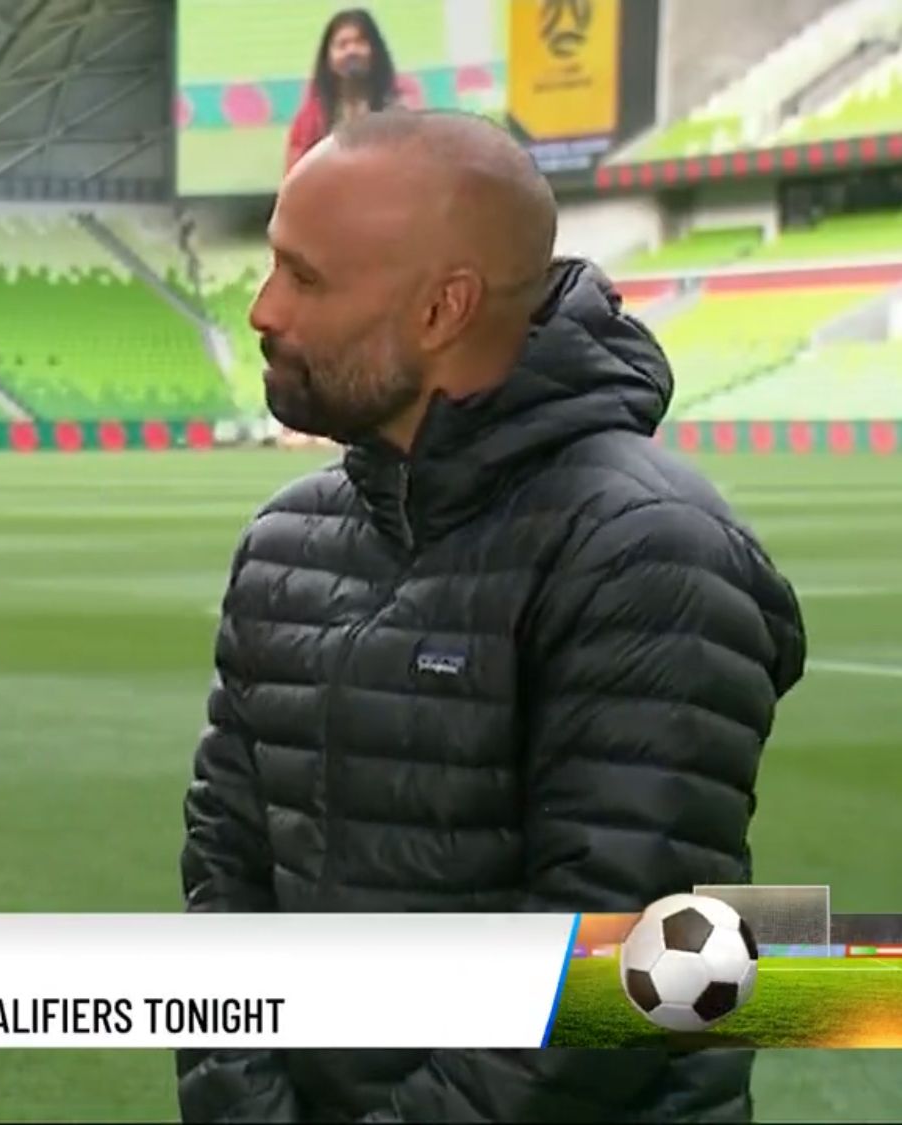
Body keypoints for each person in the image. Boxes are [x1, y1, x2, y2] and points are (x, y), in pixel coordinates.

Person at [177, 109, 806, 1123]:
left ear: (442, 309)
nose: (262, 309)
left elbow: (625, 974)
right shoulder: (284, 540)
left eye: (305, 277)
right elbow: (224, 869)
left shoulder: (647, 549)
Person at [285, 8, 401, 174]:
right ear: (328, 58)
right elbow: (296, 178)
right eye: (342, 45)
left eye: (360, 42)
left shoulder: (397, 112)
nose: (351, 51)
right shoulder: (310, 120)